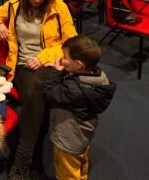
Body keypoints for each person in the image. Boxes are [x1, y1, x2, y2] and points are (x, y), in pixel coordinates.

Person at [0, 0, 77, 179]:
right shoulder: (15, 3)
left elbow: (72, 43)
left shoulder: (58, 7)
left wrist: (43, 57)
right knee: (38, 95)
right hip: (21, 66)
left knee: (37, 90)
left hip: (52, 63)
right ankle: (32, 160)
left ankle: (22, 160)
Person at [44, 35, 116, 180]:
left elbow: (49, 93)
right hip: (83, 135)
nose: (61, 59)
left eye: (64, 57)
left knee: (67, 173)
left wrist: (56, 72)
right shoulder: (100, 76)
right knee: (80, 162)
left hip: (67, 140)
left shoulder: (73, 90)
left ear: (78, 65)